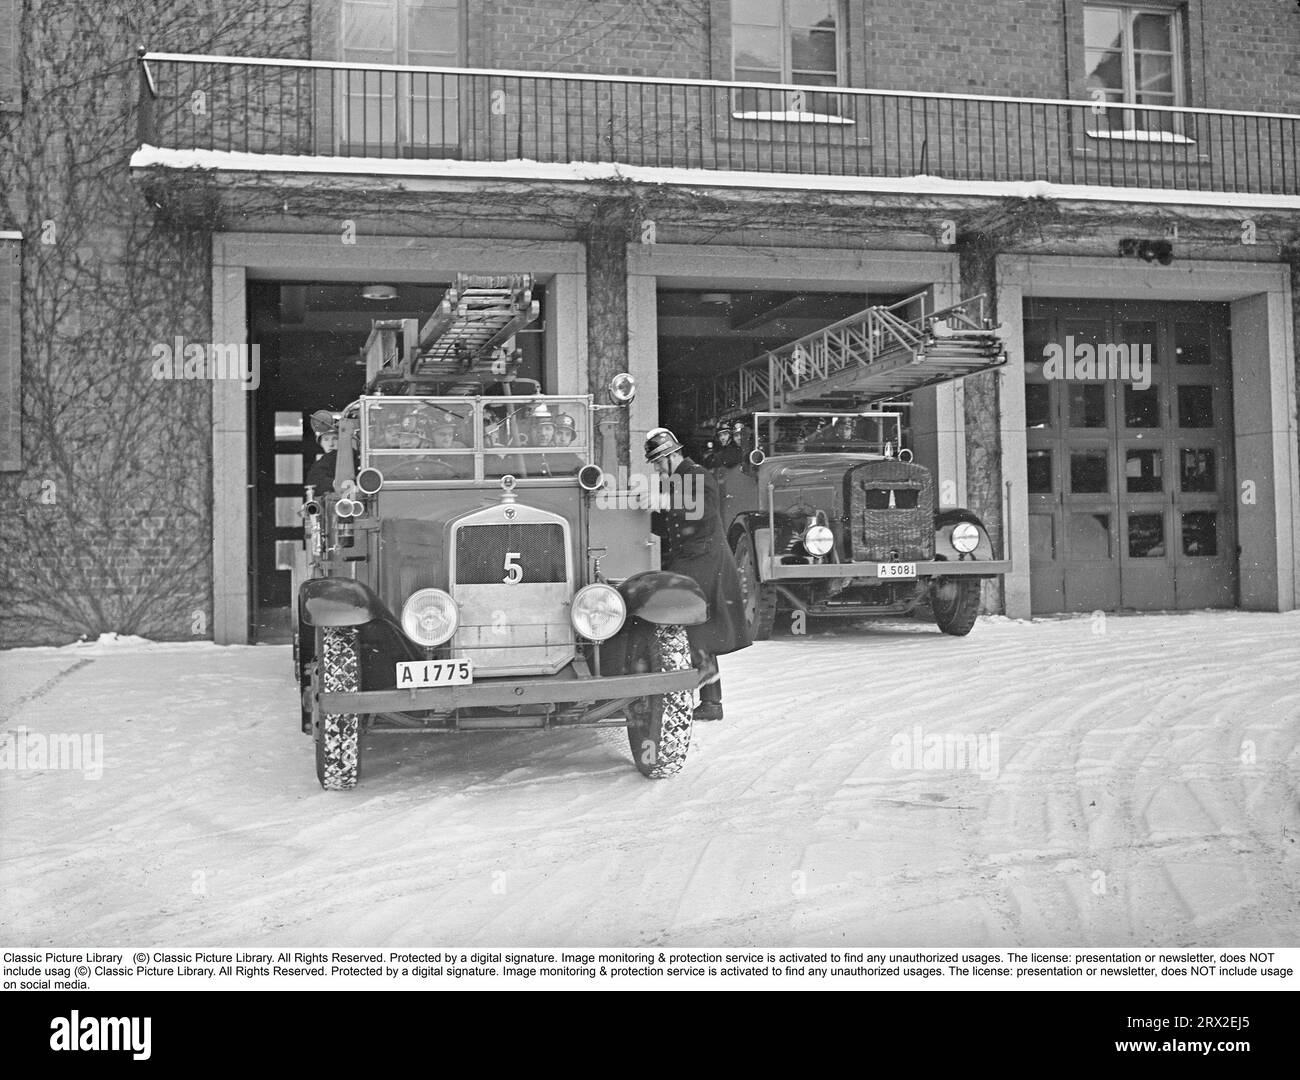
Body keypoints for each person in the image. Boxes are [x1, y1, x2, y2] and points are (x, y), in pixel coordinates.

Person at [645, 426, 752, 722]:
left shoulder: (696, 475)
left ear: (670, 456)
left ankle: (707, 697)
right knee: (697, 625)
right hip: (695, 557)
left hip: (705, 558)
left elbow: (699, 516)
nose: (656, 469)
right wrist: (643, 515)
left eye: (657, 463)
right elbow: (671, 526)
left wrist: (665, 505)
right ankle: (711, 702)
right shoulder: (680, 479)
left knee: (689, 621)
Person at [304, 409, 339, 494]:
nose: (330, 444)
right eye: (326, 439)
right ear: (321, 443)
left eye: (335, 439)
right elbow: (313, 481)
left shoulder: (354, 457)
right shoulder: (319, 464)